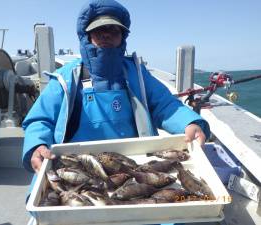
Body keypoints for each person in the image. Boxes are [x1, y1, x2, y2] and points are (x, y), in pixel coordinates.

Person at [22, 0, 210, 182]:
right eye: (99, 30)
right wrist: (37, 144)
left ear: (122, 36)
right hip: (76, 167)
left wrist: (188, 122)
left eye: (114, 30)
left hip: (133, 166)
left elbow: (165, 105)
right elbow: (40, 119)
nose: (107, 35)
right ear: (86, 36)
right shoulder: (65, 78)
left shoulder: (137, 73)